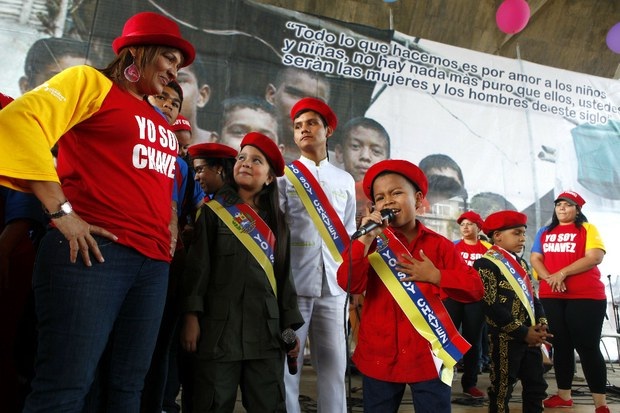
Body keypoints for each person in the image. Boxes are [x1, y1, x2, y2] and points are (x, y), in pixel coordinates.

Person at [0, 11, 195, 412]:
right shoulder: (89, 82)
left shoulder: (158, 119)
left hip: (153, 264)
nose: (175, 73)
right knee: (66, 386)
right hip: (94, 253)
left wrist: (170, 218)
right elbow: (19, 121)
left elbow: (155, 180)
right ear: (138, 53)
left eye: (179, 67)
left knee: (128, 390)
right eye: (169, 59)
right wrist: (61, 213)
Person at [336, 159, 484, 412]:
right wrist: (365, 239)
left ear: (417, 200)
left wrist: (437, 276)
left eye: (396, 193)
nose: (388, 202)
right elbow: (348, 281)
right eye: (380, 198)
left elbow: (475, 289)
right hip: (379, 356)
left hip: (428, 357)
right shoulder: (370, 243)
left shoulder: (440, 246)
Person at [180, 132, 304, 412]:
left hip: (266, 332)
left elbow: (284, 279)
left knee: (269, 404)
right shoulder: (213, 213)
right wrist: (191, 317)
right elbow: (197, 271)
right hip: (218, 330)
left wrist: (288, 330)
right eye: (242, 158)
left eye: (256, 160)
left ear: (270, 178)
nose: (246, 163)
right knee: (212, 401)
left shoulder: (279, 223)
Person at [279, 97, 356, 413]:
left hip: (335, 288)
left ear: (328, 130)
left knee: (335, 367)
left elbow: (348, 233)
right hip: (295, 285)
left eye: (311, 123)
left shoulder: (345, 180)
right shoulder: (284, 177)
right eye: (298, 126)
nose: (304, 130)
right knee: (287, 365)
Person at [530, 191, 610, 413]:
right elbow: (535, 258)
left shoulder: (587, 229)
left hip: (586, 296)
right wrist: (550, 277)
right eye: (559, 205)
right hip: (552, 295)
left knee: (587, 347)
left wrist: (562, 273)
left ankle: (600, 404)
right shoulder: (544, 232)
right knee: (561, 345)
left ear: (577, 210)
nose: (562, 208)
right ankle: (564, 395)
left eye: (568, 205)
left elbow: (595, 256)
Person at [474, 210, 551, 413]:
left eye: (524, 233)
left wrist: (541, 324)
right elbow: (489, 305)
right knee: (501, 391)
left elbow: (533, 299)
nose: (523, 238)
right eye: (517, 233)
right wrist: (523, 332)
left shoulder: (522, 263)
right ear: (497, 236)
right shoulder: (485, 263)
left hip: (532, 337)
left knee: (536, 387)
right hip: (505, 339)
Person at [446, 210, 491, 399]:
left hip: (476, 301)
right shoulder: (453, 247)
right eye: (462, 224)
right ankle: (442, 380)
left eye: (469, 223)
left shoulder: (488, 250)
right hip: (453, 298)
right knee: (446, 340)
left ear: (478, 227)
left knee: (473, 342)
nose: (465, 227)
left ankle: (470, 384)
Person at [265, 67, 331, 164]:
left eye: (316, 102)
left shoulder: (331, 166)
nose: (304, 108)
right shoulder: (241, 143)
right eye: (294, 94)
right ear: (271, 95)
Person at [334, 116, 391, 184]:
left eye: (376, 151)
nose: (365, 156)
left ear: (387, 164)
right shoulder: (325, 191)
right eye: (355, 146)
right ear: (340, 153)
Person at [176, 57, 217, 144]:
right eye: (161, 80)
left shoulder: (217, 145)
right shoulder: (141, 143)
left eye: (180, 81)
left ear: (202, 95)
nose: (168, 89)